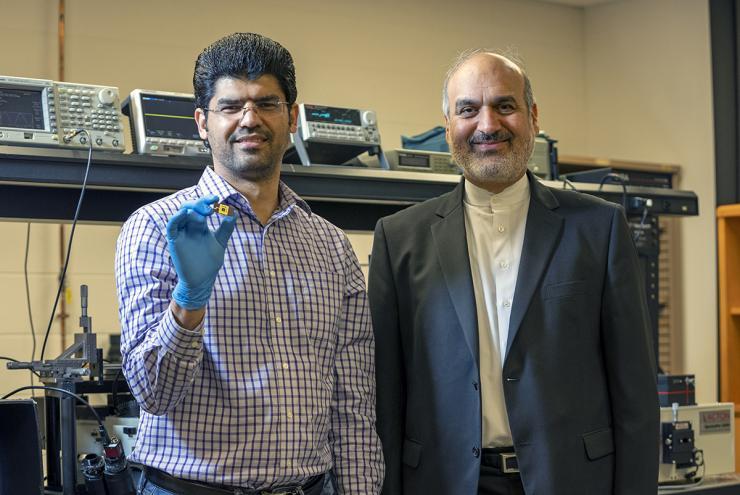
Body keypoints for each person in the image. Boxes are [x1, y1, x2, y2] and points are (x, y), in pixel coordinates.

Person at [367, 49, 658, 495]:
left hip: (572, 481)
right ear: (448, 126)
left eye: (505, 106)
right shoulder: (399, 239)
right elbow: (386, 397)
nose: (487, 125)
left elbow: (634, 394)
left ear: (533, 117)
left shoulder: (599, 230)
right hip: (444, 482)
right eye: (468, 109)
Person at [116, 32, 384, 495]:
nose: (249, 119)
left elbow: (353, 401)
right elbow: (153, 394)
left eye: (267, 104)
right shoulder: (155, 228)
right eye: (230, 106)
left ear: (292, 117)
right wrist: (189, 299)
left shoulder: (331, 246)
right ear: (202, 122)